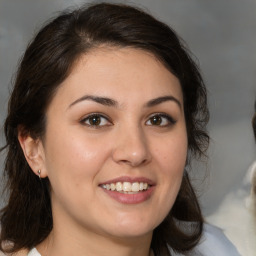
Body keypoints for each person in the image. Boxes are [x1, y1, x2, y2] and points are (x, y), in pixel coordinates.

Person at [0, 2, 240, 256]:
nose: (135, 152)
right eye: (95, 120)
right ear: (34, 148)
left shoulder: (216, 249)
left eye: (157, 119)